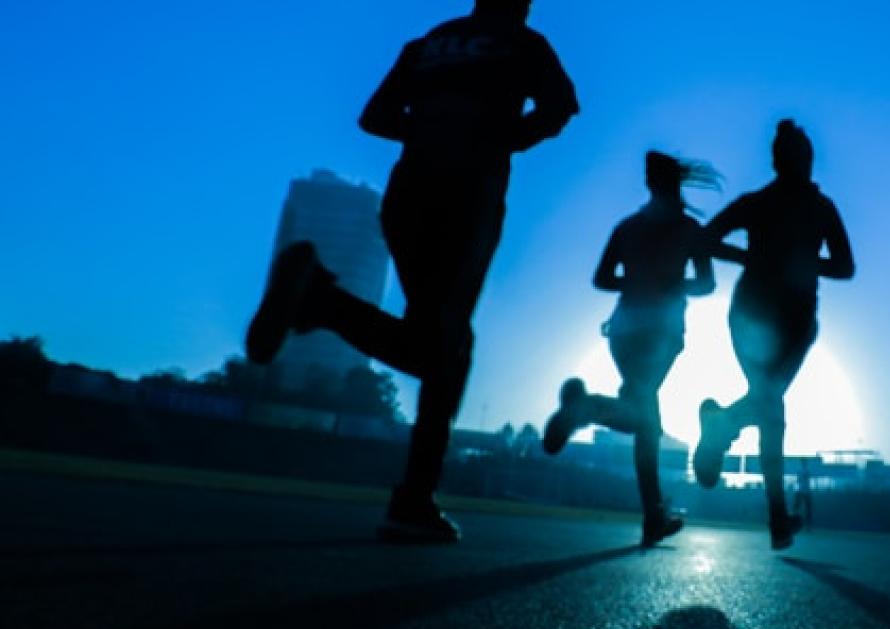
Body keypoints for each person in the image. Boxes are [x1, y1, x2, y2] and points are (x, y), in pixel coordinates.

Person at [244, 0, 578, 543]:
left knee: (433, 343)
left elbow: (373, 117)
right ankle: (413, 498)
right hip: (468, 193)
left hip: (408, 192)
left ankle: (320, 302)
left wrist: (428, 130)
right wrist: (503, 136)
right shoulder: (524, 42)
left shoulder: (429, 42)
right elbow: (561, 108)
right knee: (447, 344)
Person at [692, 119, 856, 550]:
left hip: (791, 324)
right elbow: (705, 240)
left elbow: (845, 266)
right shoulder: (772, 204)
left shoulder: (812, 208)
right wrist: (760, 257)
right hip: (762, 318)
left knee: (769, 406)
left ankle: (721, 425)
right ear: (788, 161)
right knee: (771, 407)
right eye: (800, 157)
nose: (804, 164)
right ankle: (777, 518)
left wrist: (787, 260)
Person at [543, 152, 719, 546]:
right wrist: (672, 285)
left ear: (649, 185)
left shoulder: (627, 228)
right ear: (677, 184)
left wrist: (636, 282)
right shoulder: (690, 230)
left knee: (646, 421)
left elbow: (602, 278)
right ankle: (586, 408)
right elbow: (707, 285)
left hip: (622, 331)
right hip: (661, 333)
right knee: (646, 422)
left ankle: (653, 514)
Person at [792, 458, 814, 530]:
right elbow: (807, 480)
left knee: (796, 508)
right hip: (806, 491)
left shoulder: (799, 470)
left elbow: (798, 480)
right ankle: (808, 526)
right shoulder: (808, 470)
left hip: (801, 490)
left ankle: (795, 524)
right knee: (808, 509)